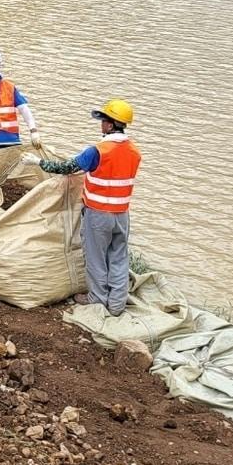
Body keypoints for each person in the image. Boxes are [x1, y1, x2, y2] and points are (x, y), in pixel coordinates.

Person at [24, 99, 140, 314]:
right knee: (119, 257)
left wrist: (37, 162)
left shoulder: (97, 151)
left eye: (103, 120)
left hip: (98, 215)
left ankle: (97, 299)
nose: (101, 124)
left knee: (95, 257)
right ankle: (117, 304)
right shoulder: (134, 151)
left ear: (110, 124)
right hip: (122, 214)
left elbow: (66, 167)